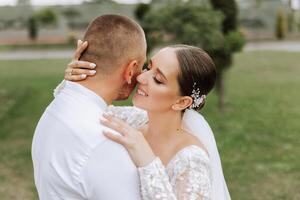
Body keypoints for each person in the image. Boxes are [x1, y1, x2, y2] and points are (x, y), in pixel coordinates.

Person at [62, 41, 231, 199]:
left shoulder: (191, 161)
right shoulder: (133, 119)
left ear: (181, 102)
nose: (141, 78)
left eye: (158, 79)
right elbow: (82, 112)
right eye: (148, 67)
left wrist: (148, 161)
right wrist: (75, 82)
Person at [32, 15, 147, 200]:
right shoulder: (104, 141)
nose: (142, 77)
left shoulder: (57, 106)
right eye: (142, 67)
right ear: (131, 70)